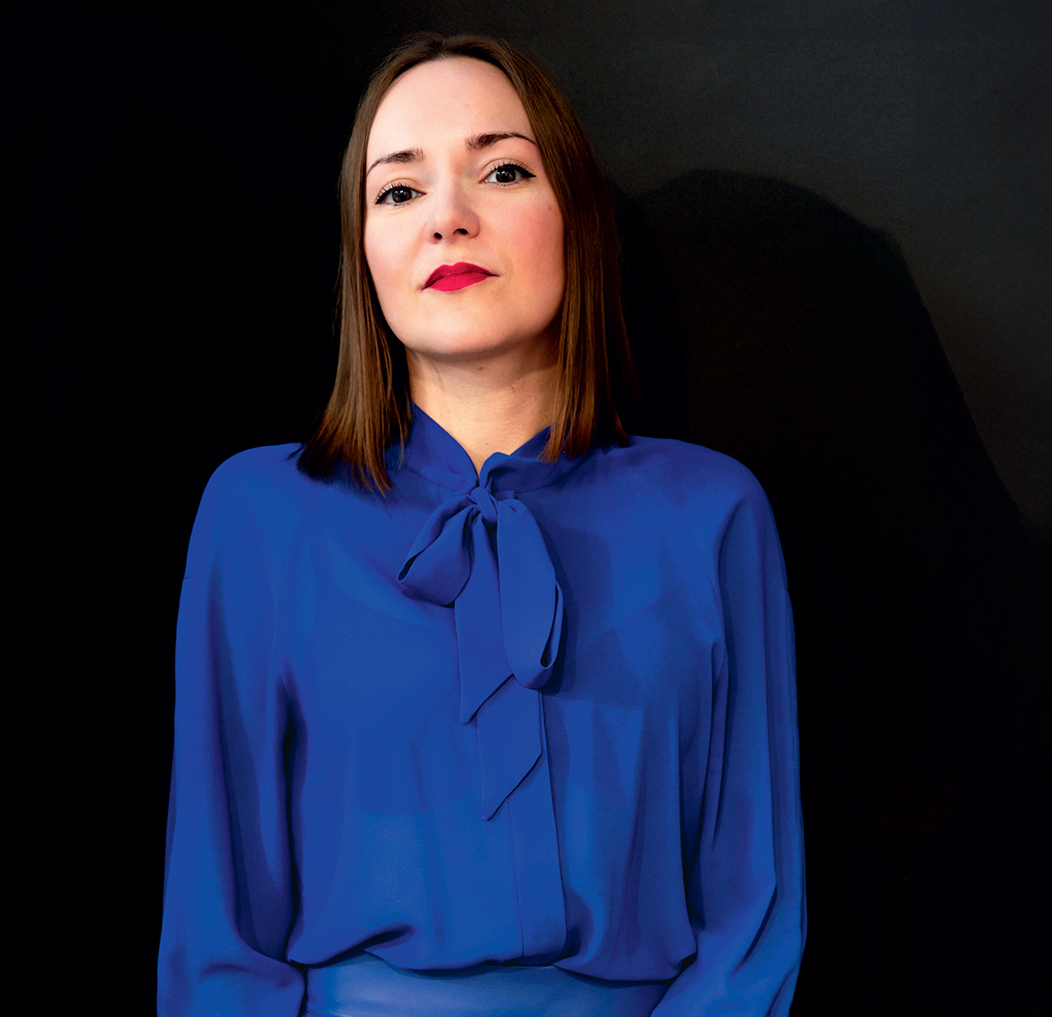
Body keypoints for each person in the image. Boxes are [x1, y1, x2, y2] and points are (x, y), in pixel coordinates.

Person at [158, 33, 805, 1017]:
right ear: (360, 252)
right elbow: (215, 928)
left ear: (576, 220)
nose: (446, 220)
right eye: (398, 191)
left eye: (500, 170)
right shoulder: (260, 516)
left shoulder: (710, 515)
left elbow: (751, 908)